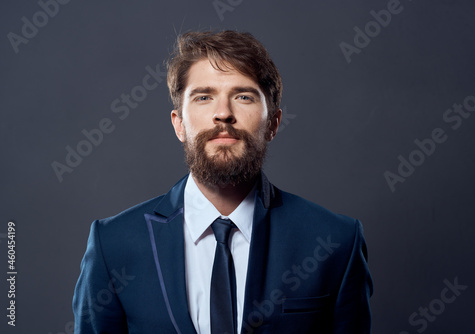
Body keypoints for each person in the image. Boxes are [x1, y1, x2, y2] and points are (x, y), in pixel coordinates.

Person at [73, 30, 373, 334]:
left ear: (273, 124)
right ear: (179, 124)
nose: (223, 114)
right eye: (204, 97)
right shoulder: (113, 244)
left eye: (243, 96)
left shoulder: (336, 241)